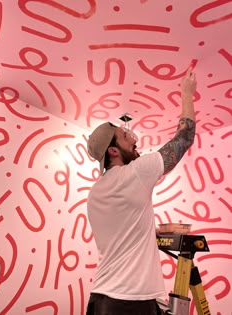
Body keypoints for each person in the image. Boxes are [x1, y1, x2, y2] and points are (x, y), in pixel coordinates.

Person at [86, 68, 197, 315]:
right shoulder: (135, 172)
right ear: (113, 151)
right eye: (124, 136)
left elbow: (123, 228)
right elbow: (184, 138)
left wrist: (147, 229)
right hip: (130, 302)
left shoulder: (95, 192)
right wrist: (187, 93)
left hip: (100, 298)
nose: (132, 138)